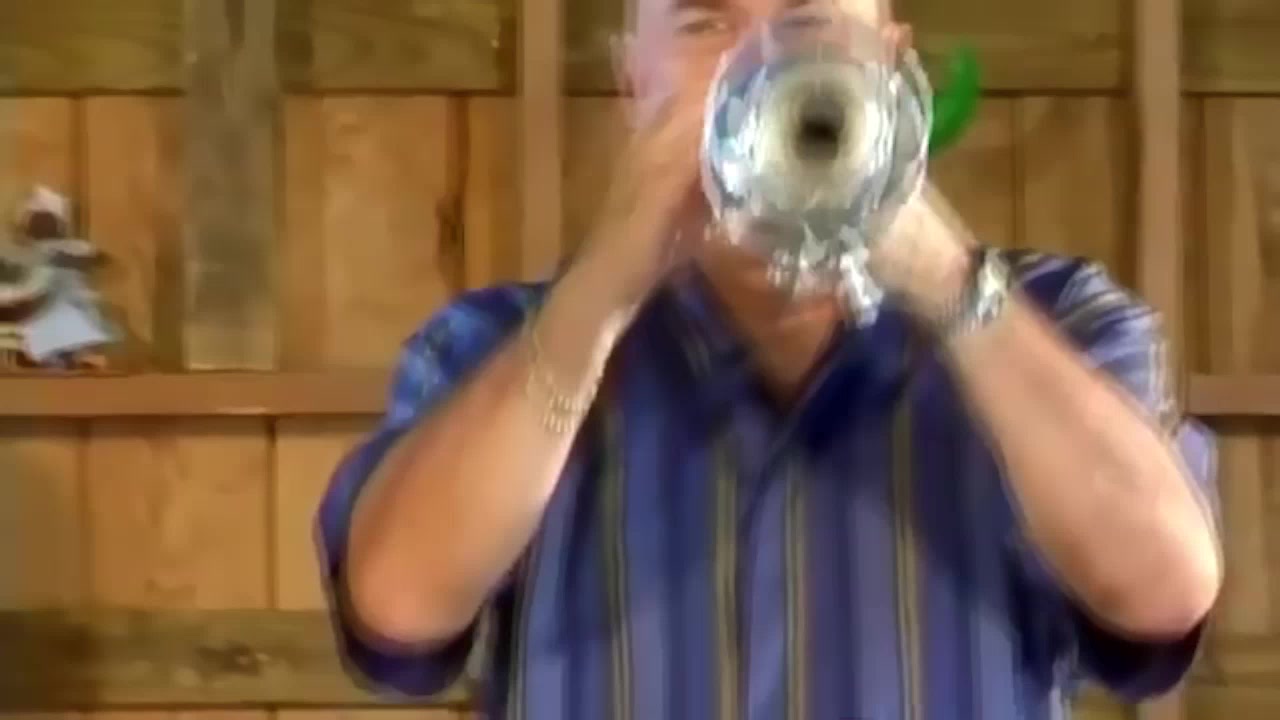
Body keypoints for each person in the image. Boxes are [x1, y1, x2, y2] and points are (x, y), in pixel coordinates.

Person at [315, 0, 1223, 717]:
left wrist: (946, 279)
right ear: (633, 85)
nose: (762, 67)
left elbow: (1165, 590)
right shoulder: (491, 345)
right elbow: (397, 605)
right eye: (705, 25)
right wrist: (605, 286)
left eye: (809, 20)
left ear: (893, 68)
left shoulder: (1061, 320)